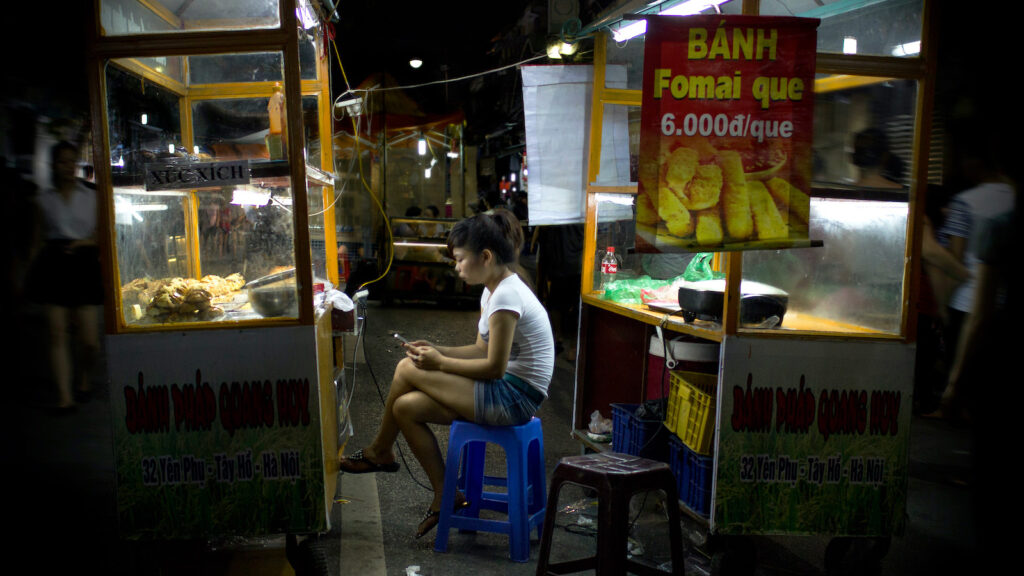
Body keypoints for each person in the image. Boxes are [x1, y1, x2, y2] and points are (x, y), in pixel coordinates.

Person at [338, 208, 555, 540]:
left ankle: (380, 451)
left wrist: (438, 363)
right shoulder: (493, 289)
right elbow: (481, 350)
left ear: (485, 256)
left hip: (515, 398)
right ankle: (445, 494)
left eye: (460, 259)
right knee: (405, 408)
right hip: (504, 387)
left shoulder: (507, 295)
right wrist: (437, 350)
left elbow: (494, 368)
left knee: (406, 368)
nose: (455, 267)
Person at [26, 141, 102, 412]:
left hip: (83, 262)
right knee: (57, 334)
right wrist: (27, 276)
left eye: (72, 162)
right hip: (54, 263)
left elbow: (102, 234)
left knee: (90, 340)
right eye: (62, 162)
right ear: (53, 166)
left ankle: (84, 379)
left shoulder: (91, 196)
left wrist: (87, 244)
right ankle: (64, 397)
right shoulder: (43, 200)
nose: (68, 167)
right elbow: (37, 240)